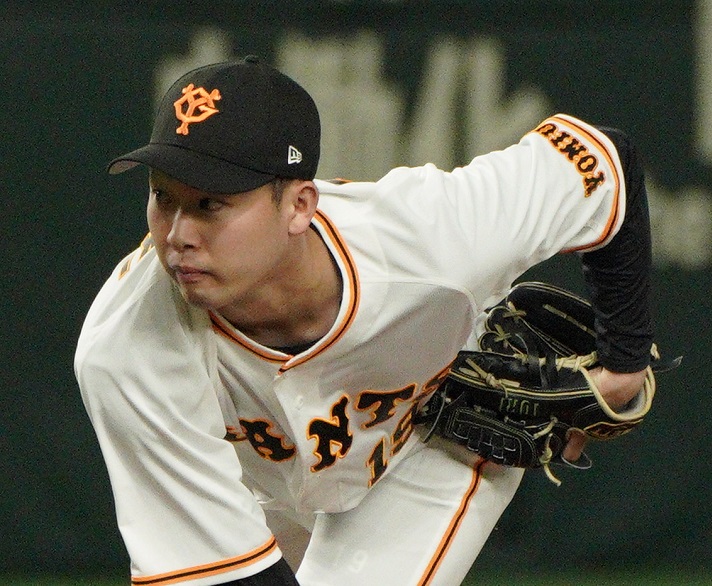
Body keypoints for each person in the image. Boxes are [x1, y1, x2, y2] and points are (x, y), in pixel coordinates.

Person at [75, 55, 655, 586]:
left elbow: (605, 161)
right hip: (267, 491)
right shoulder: (129, 347)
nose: (178, 235)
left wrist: (623, 364)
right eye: (163, 198)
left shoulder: (431, 237)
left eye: (210, 204)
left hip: (428, 446)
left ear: (299, 205)